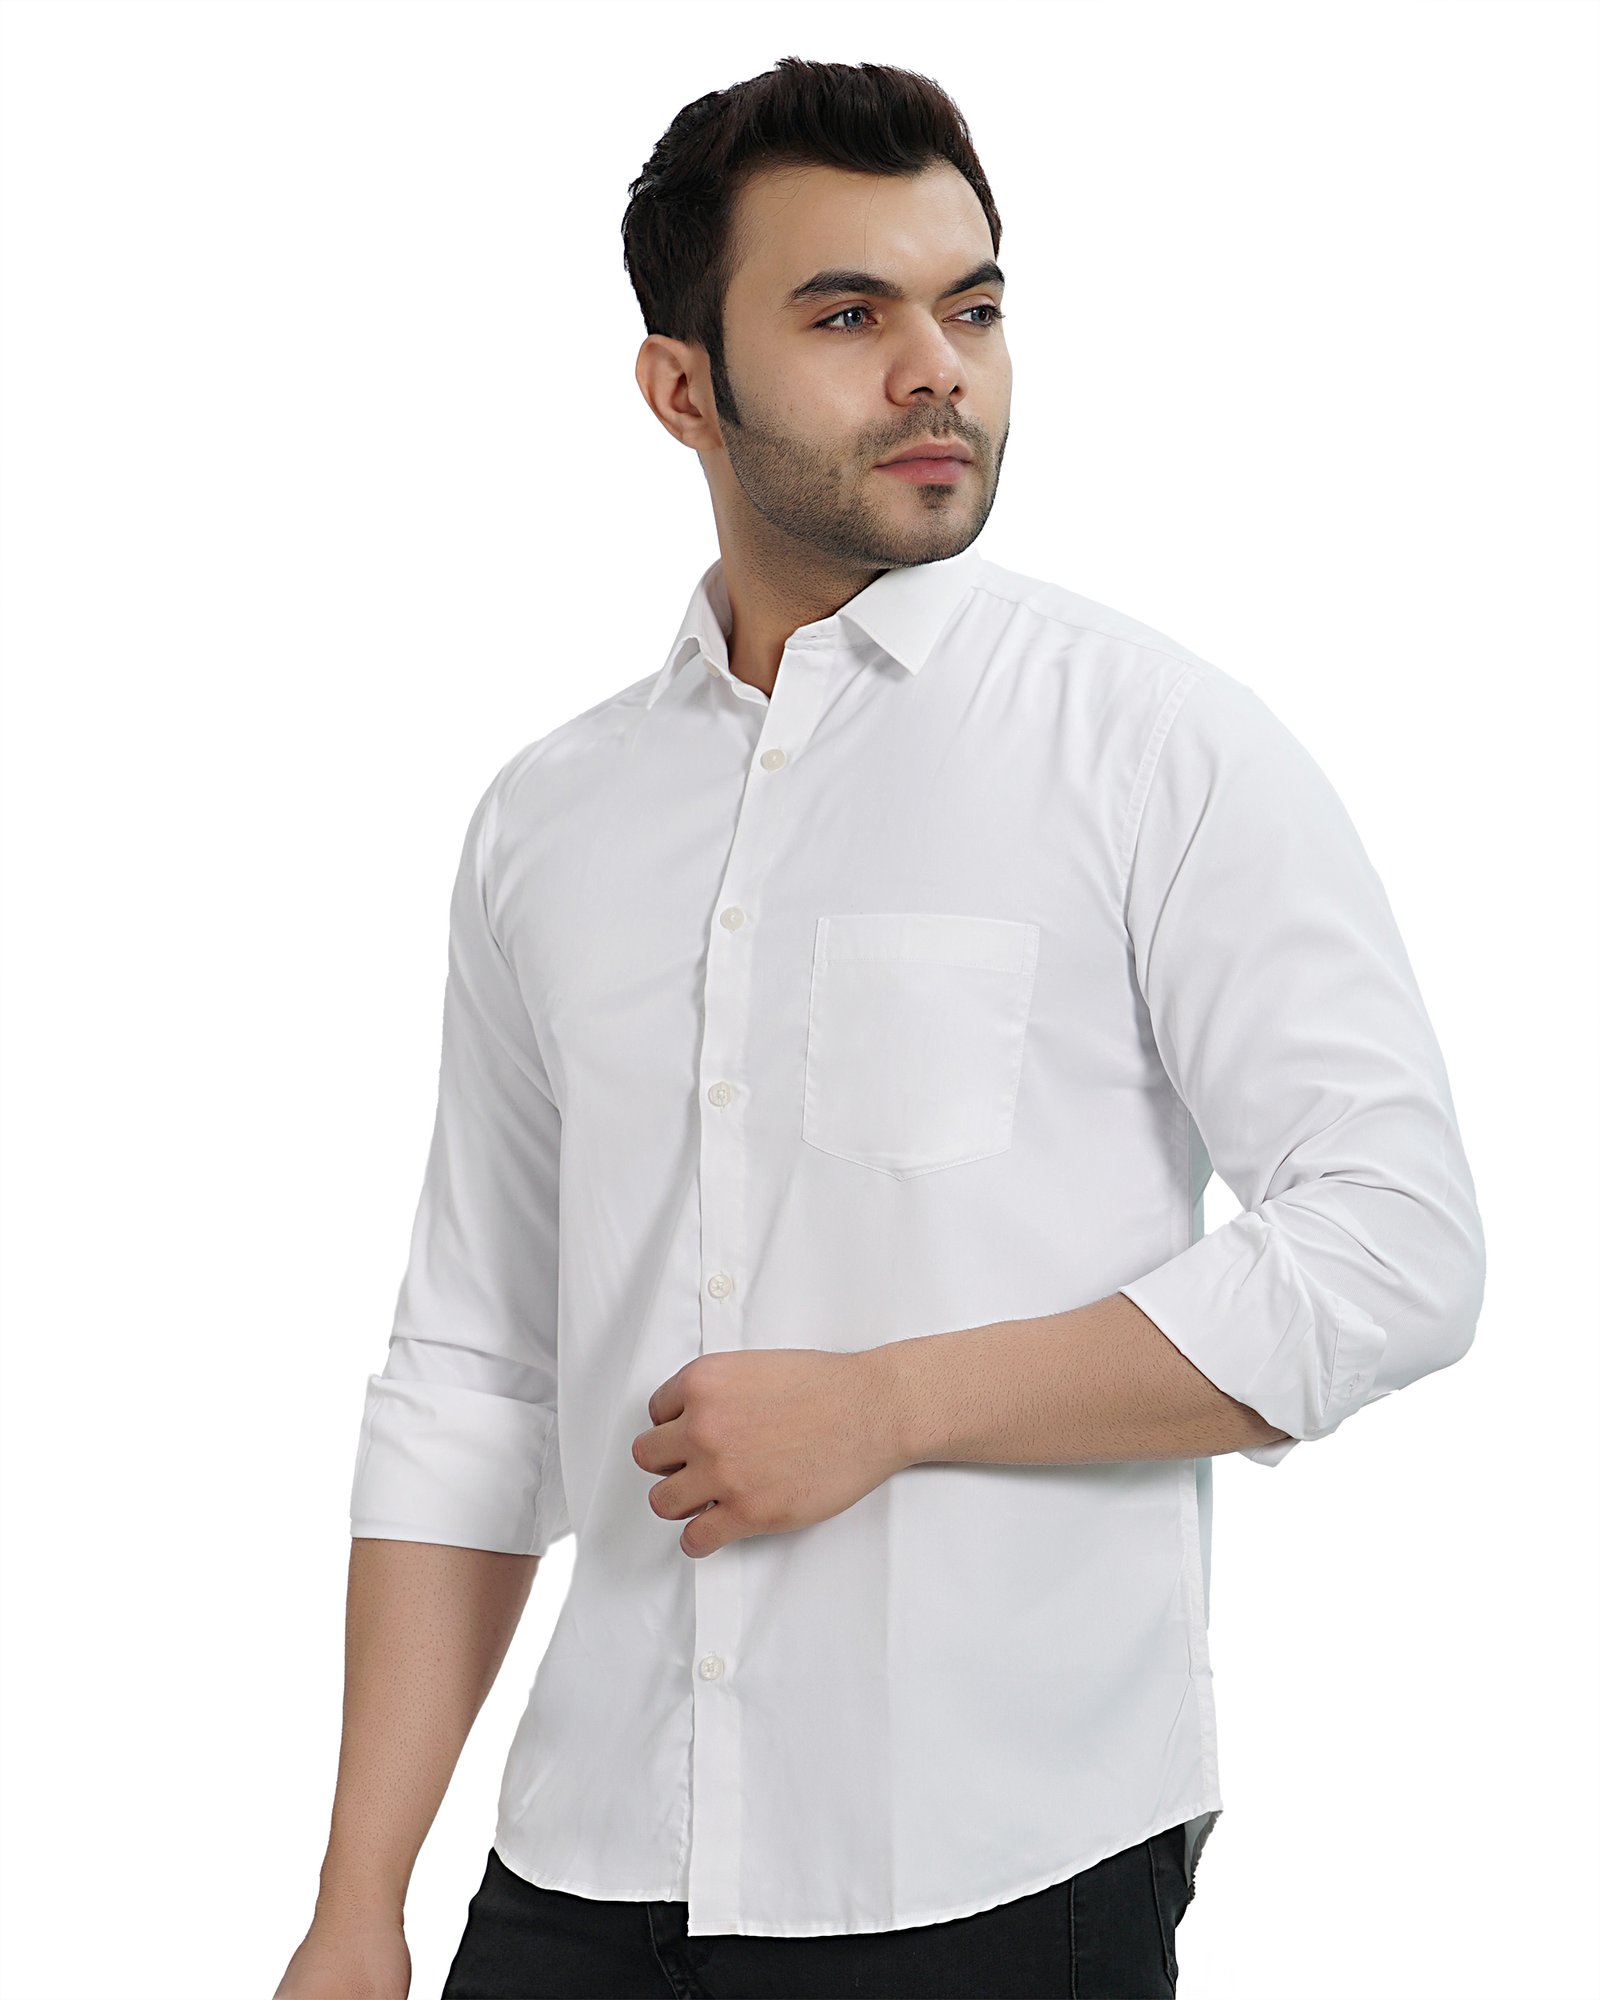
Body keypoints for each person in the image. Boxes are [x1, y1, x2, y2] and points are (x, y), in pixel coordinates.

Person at [273, 55, 1486, 2000]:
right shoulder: (549, 820)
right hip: (586, 1859)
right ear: (683, 388)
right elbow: (477, 1370)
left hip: (993, 1866)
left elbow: (1394, 1244)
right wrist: (357, 1902)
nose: (938, 372)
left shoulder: (1151, 748)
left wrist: (891, 1404)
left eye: (972, 308)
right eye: (849, 317)